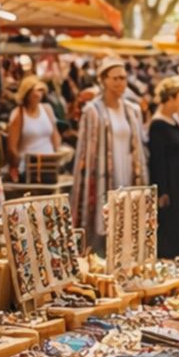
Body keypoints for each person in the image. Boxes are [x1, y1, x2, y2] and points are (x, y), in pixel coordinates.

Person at [71, 59, 147, 252]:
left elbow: (139, 147)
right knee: (103, 221)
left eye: (123, 78)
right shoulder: (92, 111)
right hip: (101, 174)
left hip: (128, 172)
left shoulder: (133, 110)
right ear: (103, 80)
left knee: (128, 220)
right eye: (115, 78)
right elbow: (84, 151)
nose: (121, 83)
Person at [149, 76, 179, 258]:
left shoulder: (173, 120)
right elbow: (157, 160)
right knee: (171, 227)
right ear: (170, 98)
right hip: (170, 183)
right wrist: (162, 190)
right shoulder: (158, 124)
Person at [7, 75, 61, 182]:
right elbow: (12, 147)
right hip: (28, 168)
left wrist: (57, 157)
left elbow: (55, 136)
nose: (38, 94)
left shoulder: (47, 109)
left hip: (48, 166)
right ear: (27, 93)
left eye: (41, 91)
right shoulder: (18, 115)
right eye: (35, 91)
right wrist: (19, 165)